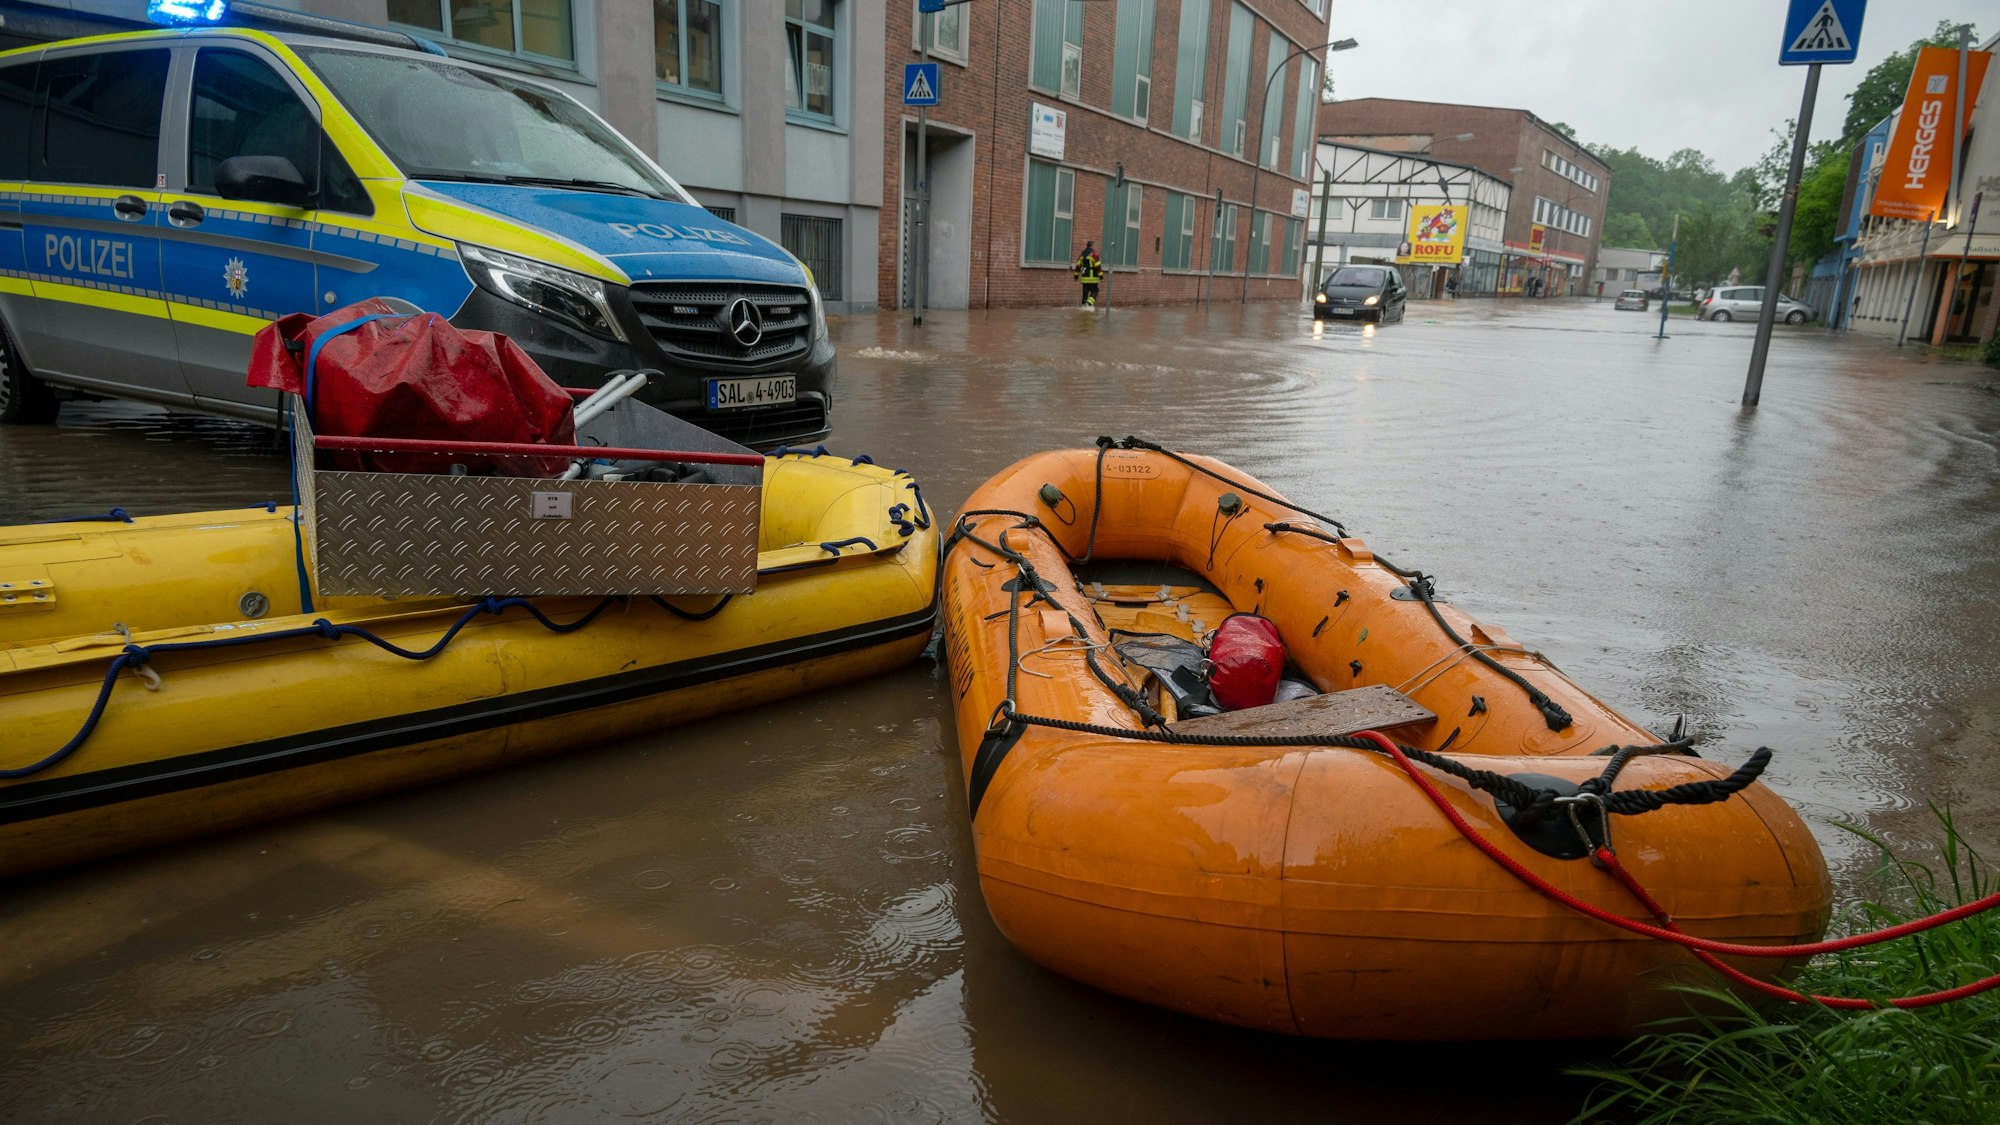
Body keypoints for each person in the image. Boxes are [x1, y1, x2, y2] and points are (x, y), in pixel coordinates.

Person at [1073, 241, 1103, 307]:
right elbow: (1098, 266)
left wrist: (1076, 276)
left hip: (1084, 279)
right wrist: (1101, 277)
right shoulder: (1094, 254)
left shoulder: (1082, 254)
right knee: (1095, 291)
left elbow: (1078, 266)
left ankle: (1083, 306)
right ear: (1092, 246)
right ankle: (1089, 303)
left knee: (1085, 294)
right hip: (1093, 278)